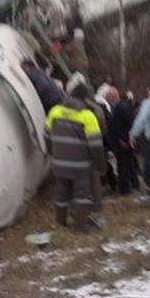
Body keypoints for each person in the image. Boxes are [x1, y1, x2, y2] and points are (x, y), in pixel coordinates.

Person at [44, 83, 106, 231]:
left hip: (59, 163)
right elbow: (96, 145)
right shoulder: (87, 116)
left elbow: (46, 136)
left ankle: (60, 224)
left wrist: (53, 153)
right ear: (85, 98)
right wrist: (100, 165)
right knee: (81, 195)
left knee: (61, 194)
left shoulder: (55, 111)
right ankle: (80, 227)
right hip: (80, 165)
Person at [106, 87, 139, 194]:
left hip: (123, 142)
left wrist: (126, 139)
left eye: (108, 96)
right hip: (118, 142)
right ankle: (135, 184)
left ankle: (125, 190)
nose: (106, 98)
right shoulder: (115, 108)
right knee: (128, 164)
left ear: (113, 96)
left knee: (123, 166)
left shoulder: (122, 108)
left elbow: (131, 123)